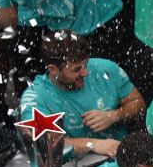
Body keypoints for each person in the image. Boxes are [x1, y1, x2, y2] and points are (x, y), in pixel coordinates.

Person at [19, 31, 145, 159]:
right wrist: (92, 144)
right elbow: (44, 143)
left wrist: (114, 116)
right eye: (77, 69)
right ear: (53, 69)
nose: (85, 72)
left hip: (123, 158)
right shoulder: (35, 98)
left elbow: (138, 102)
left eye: (86, 64)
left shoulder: (106, 69)